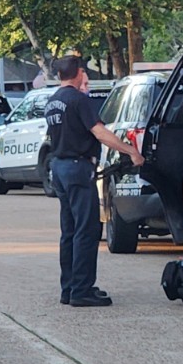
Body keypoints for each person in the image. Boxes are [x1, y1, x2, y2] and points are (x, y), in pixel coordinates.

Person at [44, 56, 144, 307]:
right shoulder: (79, 100)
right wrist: (130, 151)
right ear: (79, 72)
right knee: (87, 230)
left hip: (60, 167)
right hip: (78, 168)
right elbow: (99, 132)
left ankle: (69, 288)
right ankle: (82, 290)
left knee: (69, 231)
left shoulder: (52, 101)